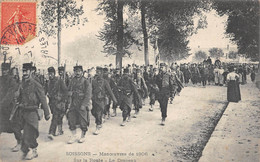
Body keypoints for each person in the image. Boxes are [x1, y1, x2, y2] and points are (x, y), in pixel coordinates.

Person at [15, 63, 50, 160]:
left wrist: (47, 113)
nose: (25, 73)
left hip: (32, 112)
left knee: (30, 132)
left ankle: (32, 150)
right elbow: (19, 97)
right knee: (26, 132)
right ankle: (31, 150)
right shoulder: (22, 84)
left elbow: (43, 99)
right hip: (23, 112)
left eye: (26, 71)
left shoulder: (36, 84)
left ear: (31, 71)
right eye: (24, 71)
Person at [0, 63, 23, 152]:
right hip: (1, 107)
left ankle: (20, 142)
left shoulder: (12, 81)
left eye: (6, 70)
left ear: (9, 70)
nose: (4, 71)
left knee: (14, 125)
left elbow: (9, 95)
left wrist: (1, 104)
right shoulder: (0, 79)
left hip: (10, 107)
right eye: (3, 69)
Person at [67, 65, 91, 144]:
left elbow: (88, 94)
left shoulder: (85, 81)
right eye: (76, 71)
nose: (77, 73)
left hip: (81, 103)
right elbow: (69, 90)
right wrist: (69, 94)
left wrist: (84, 104)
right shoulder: (72, 80)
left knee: (83, 120)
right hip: (73, 103)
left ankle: (83, 136)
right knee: (71, 119)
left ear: (82, 72)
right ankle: (74, 136)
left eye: (79, 71)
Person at [91, 66, 117, 135]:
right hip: (95, 99)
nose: (97, 73)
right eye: (97, 72)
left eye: (99, 72)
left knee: (98, 113)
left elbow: (110, 91)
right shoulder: (93, 81)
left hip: (101, 100)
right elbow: (91, 90)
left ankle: (98, 126)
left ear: (102, 73)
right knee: (93, 112)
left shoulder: (105, 82)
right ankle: (100, 120)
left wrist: (114, 99)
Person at [46, 67, 68, 140]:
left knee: (55, 117)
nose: (50, 75)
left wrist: (62, 99)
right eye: (49, 74)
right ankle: (60, 130)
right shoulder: (48, 82)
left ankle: (51, 132)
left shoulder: (59, 81)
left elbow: (65, 91)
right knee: (58, 116)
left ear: (54, 74)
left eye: (51, 74)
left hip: (59, 102)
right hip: (52, 103)